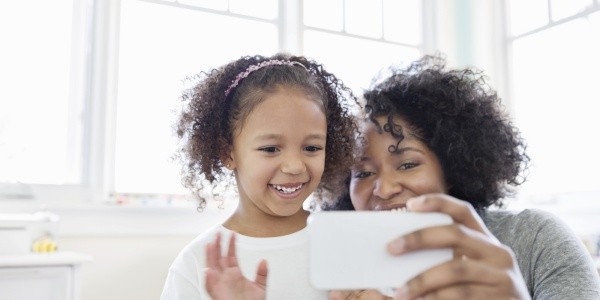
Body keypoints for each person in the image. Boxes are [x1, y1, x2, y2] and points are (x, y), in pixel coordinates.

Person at [328, 54, 600, 299]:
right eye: (362, 173)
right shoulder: (340, 268)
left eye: (408, 164)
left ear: (451, 167)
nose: (384, 189)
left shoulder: (535, 240)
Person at [160, 53, 358, 299]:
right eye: (270, 149)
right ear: (228, 153)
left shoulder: (346, 246)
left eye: (311, 148)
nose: (295, 166)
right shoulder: (197, 264)